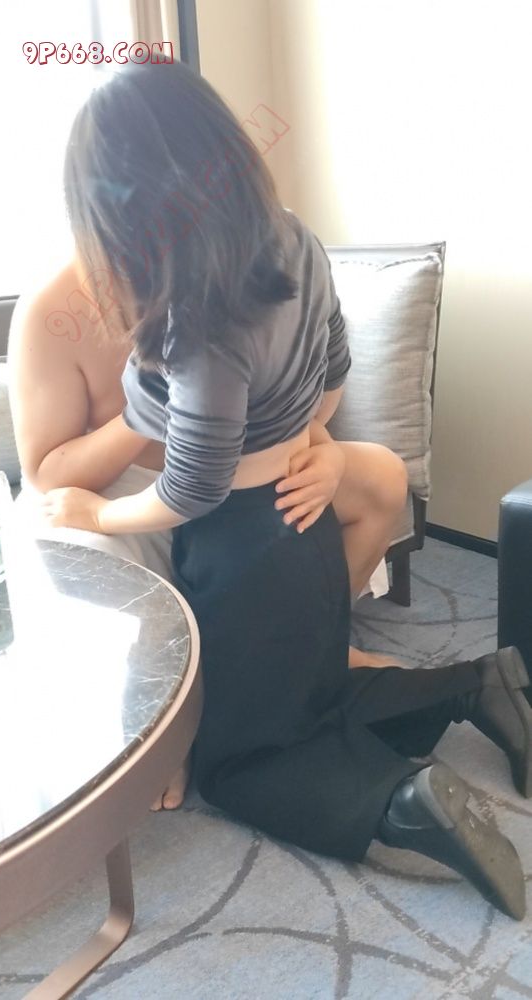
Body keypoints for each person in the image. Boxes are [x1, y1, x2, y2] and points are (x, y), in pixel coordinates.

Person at [29, 59, 531, 918]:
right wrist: (309, 441)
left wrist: (97, 511)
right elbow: (333, 365)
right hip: (303, 518)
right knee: (305, 688)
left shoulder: (192, 322)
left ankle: (399, 803)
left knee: (239, 758)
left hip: (239, 543)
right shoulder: (290, 238)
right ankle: (476, 685)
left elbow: (192, 484)